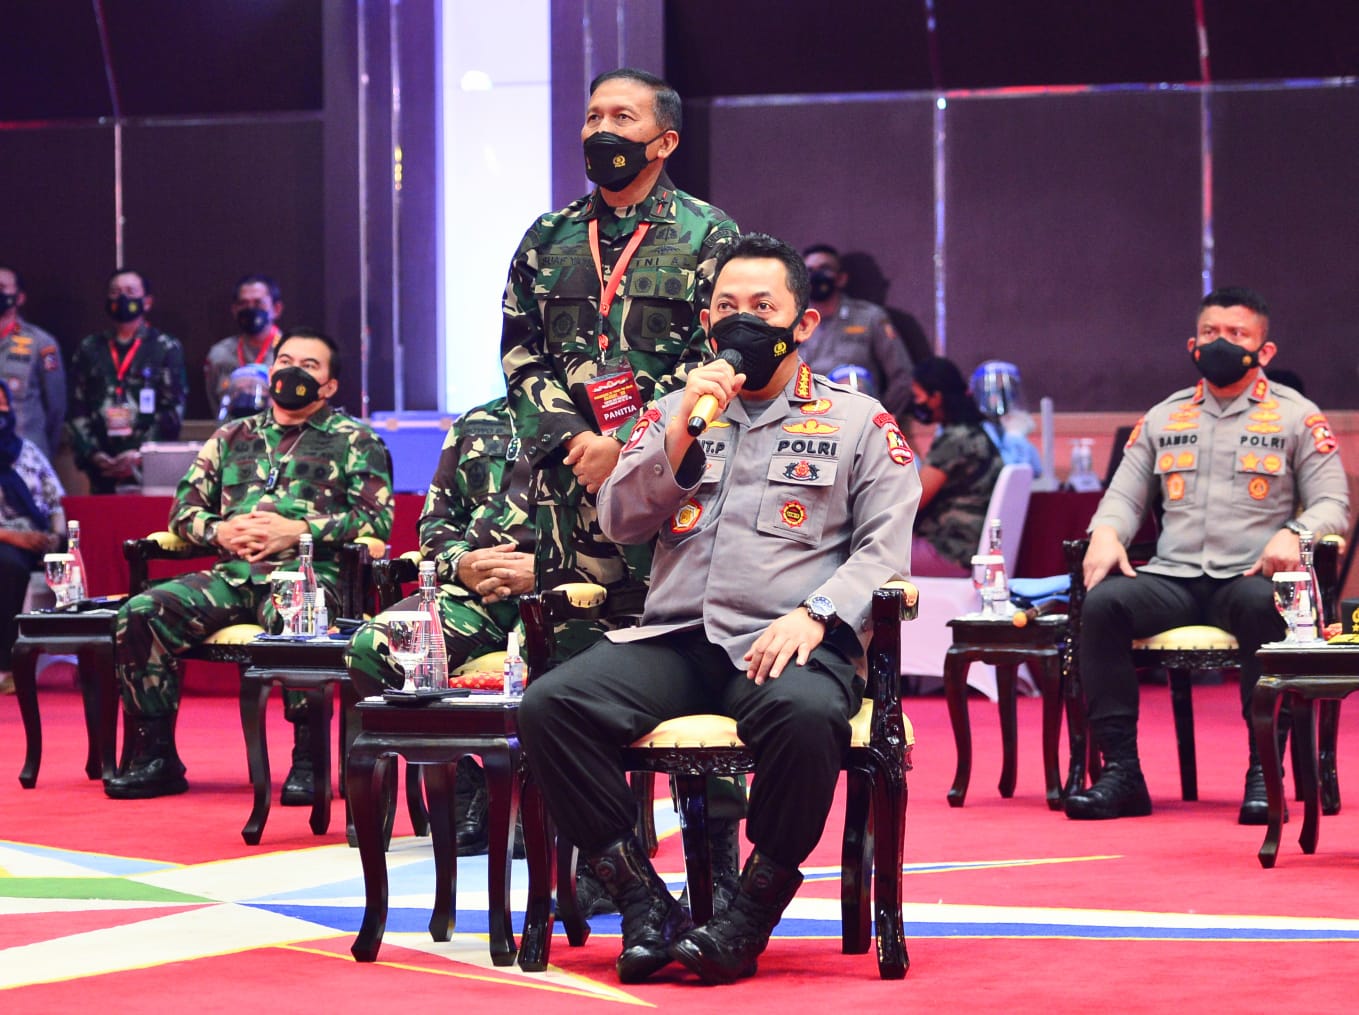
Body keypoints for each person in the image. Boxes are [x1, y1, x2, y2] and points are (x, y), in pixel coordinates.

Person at [517, 234, 921, 986]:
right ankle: (644, 903)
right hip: (678, 638)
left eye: (762, 307)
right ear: (707, 323)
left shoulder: (858, 422)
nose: (743, 321)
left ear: (802, 323)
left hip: (785, 642)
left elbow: (883, 550)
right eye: (727, 307)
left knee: (807, 716)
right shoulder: (676, 411)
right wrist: (675, 442)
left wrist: (817, 613)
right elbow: (620, 521)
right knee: (550, 705)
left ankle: (747, 916)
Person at [1065, 287, 1349, 824]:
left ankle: (1264, 772)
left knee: (1266, 606)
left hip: (1248, 577)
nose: (1222, 343)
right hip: (1173, 578)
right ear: (1193, 343)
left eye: (1238, 334)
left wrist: (1296, 532)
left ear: (1265, 350)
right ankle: (1121, 774)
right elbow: (1124, 497)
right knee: (1103, 606)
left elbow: (1334, 504)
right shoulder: (1165, 416)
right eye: (1211, 333)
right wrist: (1105, 531)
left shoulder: (1296, 417)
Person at [500, 66, 739, 638]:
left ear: (665, 142)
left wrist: (625, 443)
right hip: (569, 482)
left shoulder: (710, 233)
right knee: (563, 654)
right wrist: (578, 441)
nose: (601, 130)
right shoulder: (548, 235)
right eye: (593, 117)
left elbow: (714, 355)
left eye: (622, 118)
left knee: (662, 651)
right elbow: (521, 352)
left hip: (663, 482)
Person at [105, 328, 393, 800]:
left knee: (299, 619)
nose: (293, 372)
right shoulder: (231, 436)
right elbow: (183, 511)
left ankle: (309, 759)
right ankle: (154, 754)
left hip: (308, 576)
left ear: (329, 386)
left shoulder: (356, 440)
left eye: (309, 365)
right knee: (141, 613)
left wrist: (298, 531)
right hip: (232, 575)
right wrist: (218, 531)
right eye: (285, 361)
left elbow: (374, 520)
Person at [345, 396, 533, 855]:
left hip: (557, 595)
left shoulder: (598, 420)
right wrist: (462, 563)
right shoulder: (476, 423)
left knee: (553, 667)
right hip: (473, 594)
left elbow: (624, 530)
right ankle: (466, 784)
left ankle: (535, 798)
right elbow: (435, 524)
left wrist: (544, 569)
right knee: (370, 648)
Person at [68, 268, 188, 494]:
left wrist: (141, 454)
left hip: (149, 465)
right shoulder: (90, 348)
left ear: (147, 302)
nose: (122, 298)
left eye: (130, 292)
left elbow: (173, 409)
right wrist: (92, 453)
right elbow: (77, 406)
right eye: (115, 292)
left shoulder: (164, 347)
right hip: (102, 465)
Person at [0, 379, 66, 696]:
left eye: (3, 404)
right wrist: (14, 538)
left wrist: (56, 536)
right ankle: (9, 665)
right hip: (6, 540)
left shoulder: (26, 450)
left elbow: (56, 502)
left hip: (34, 537)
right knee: (9, 566)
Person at [909, 356, 1003, 576]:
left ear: (936, 397)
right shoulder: (977, 433)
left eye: (918, 396)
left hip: (951, 551)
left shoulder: (955, 440)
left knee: (859, 557)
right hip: (970, 547)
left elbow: (912, 501)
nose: (915, 403)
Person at [800, 243, 914, 420]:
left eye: (824, 269)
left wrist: (881, 418)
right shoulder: (792, 321)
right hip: (805, 422)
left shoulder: (869, 317)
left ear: (841, 278)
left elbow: (902, 375)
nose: (816, 276)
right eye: (810, 270)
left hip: (855, 419)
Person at [0, 266, 67, 460]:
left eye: (1, 287)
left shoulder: (42, 343)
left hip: (24, 455)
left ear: (19, 297)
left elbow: (56, 407)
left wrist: (43, 452)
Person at [205, 274, 284, 417]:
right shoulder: (219, 355)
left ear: (276, 309)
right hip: (233, 428)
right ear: (235, 310)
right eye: (243, 304)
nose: (250, 309)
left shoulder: (294, 353)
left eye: (258, 303)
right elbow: (216, 405)